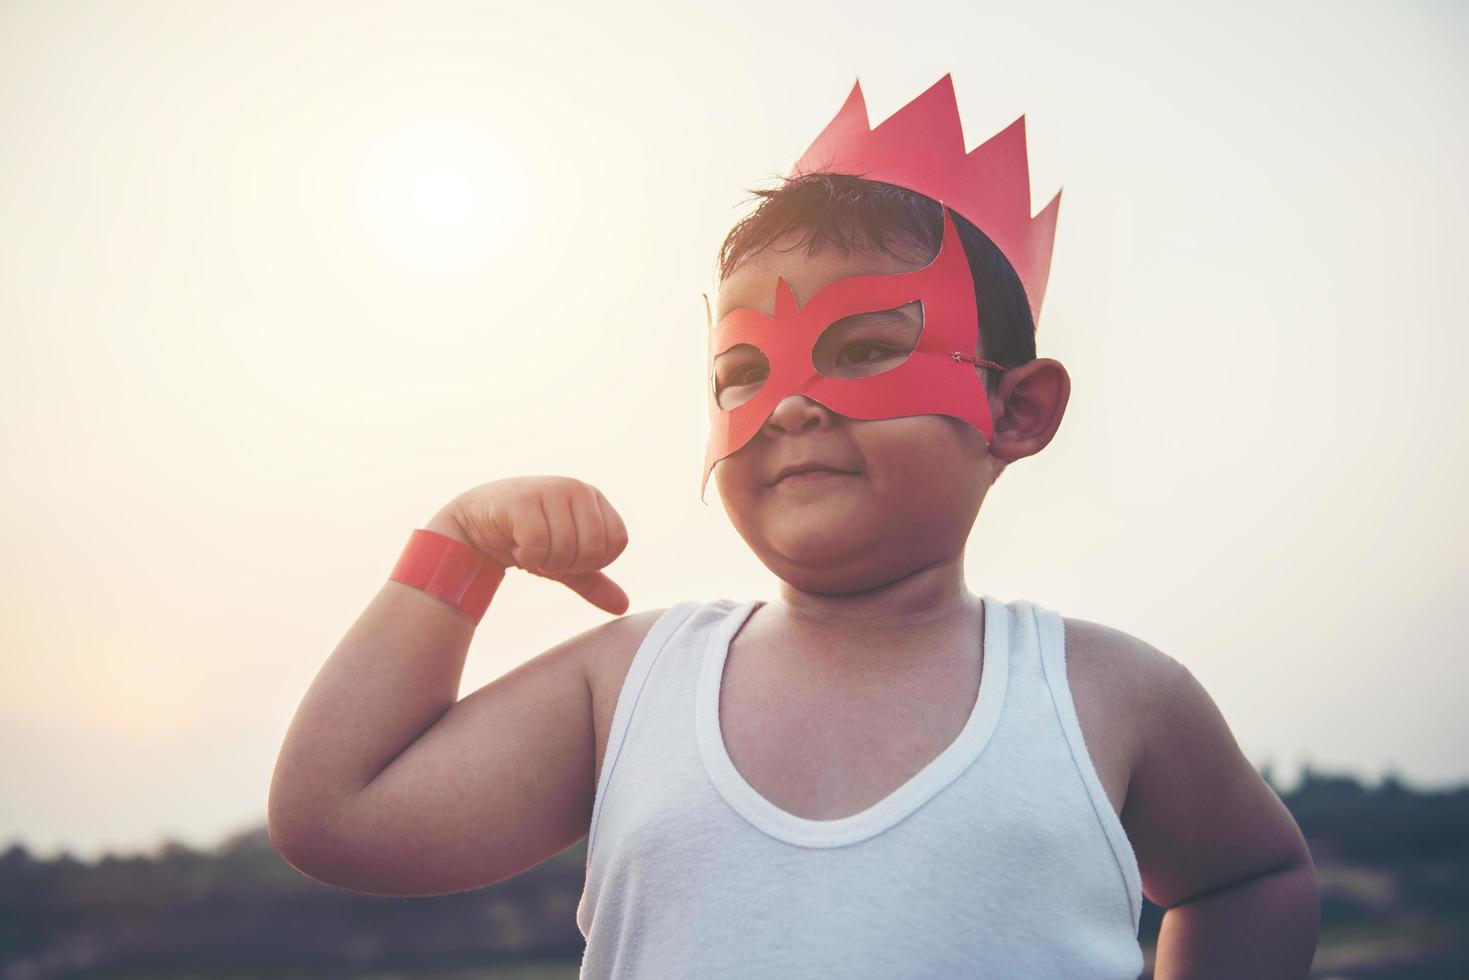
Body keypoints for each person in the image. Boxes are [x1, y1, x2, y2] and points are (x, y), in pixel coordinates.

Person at [268, 75, 1320, 978]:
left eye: (862, 349)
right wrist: (458, 548)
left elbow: (1251, 872)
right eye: (740, 371)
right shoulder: (630, 683)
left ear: (1016, 411)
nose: (789, 404)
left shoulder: (1109, 693)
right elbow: (339, 814)